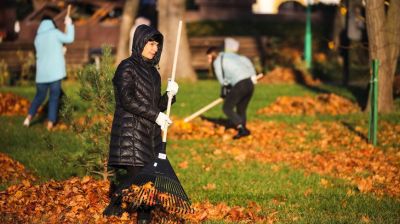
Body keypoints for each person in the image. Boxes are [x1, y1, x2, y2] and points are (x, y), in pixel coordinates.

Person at [103, 24, 179, 224]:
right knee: (142, 183)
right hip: (131, 133)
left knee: (147, 184)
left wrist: (170, 96)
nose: (154, 48)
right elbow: (127, 100)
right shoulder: (127, 67)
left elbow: (154, 106)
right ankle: (114, 212)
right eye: (150, 43)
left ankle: (126, 214)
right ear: (140, 42)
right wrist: (155, 115)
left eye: (157, 45)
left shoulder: (153, 73)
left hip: (149, 135)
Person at [23, 15, 74, 130]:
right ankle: (50, 123)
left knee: (39, 97)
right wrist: (70, 25)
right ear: (52, 23)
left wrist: (60, 50)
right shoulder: (55, 33)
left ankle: (28, 118)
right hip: (55, 73)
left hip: (41, 75)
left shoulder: (37, 38)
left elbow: (47, 51)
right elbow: (69, 39)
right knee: (54, 97)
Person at [206, 46, 258, 140]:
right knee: (241, 108)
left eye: (209, 57)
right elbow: (245, 60)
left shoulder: (217, 62)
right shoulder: (229, 55)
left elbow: (222, 80)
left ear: (213, 55)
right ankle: (243, 130)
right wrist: (252, 74)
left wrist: (225, 91)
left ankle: (242, 129)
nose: (209, 60)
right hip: (249, 83)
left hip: (240, 84)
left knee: (227, 108)